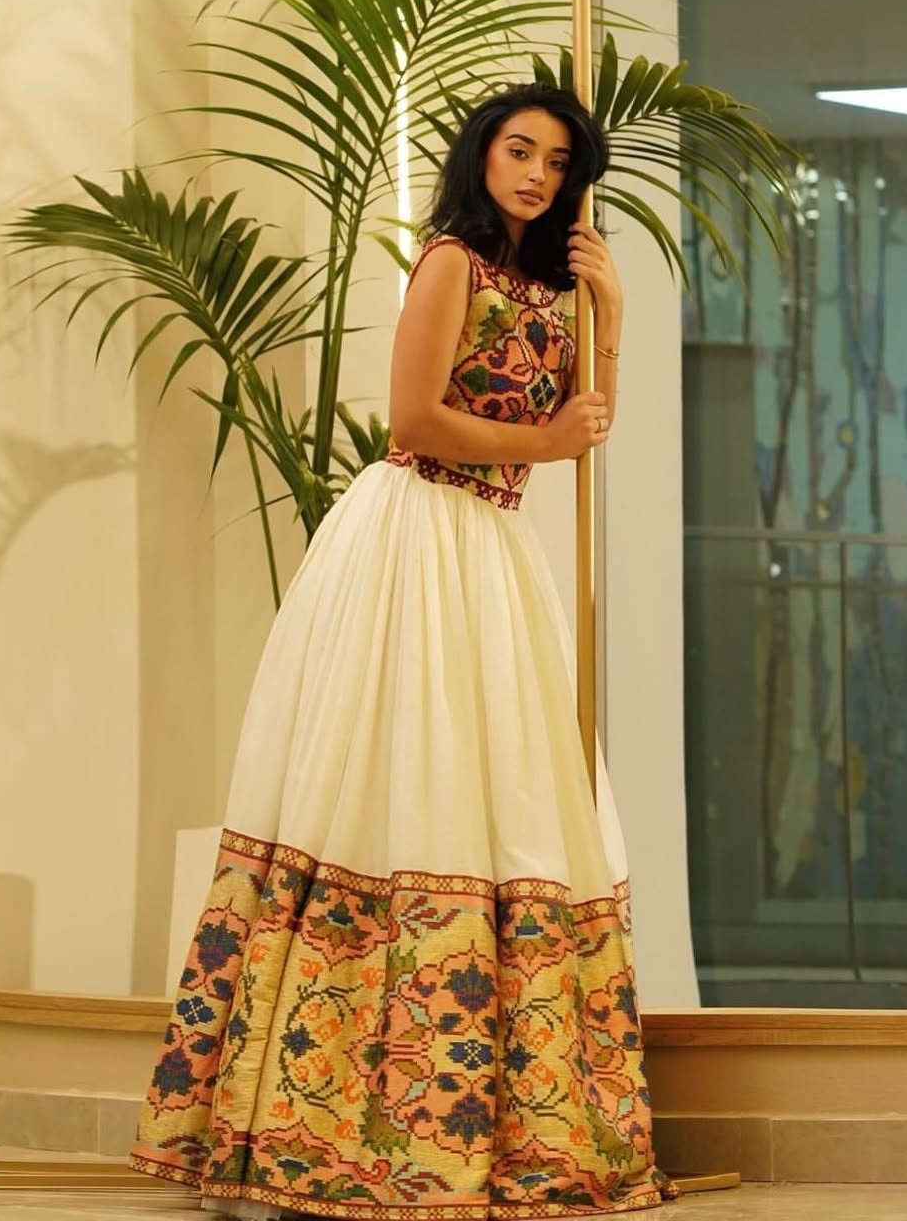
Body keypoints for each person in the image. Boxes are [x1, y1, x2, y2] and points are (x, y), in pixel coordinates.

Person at [130, 82, 676, 1216]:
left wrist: (608, 320)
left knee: (503, 796)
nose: (534, 171)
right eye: (517, 149)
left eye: (557, 158)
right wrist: (545, 431)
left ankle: (485, 1119)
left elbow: (585, 434)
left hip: (493, 545)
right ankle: (313, 1118)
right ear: (482, 155)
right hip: (419, 527)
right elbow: (413, 421)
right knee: (390, 783)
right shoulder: (450, 264)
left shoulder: (549, 285)